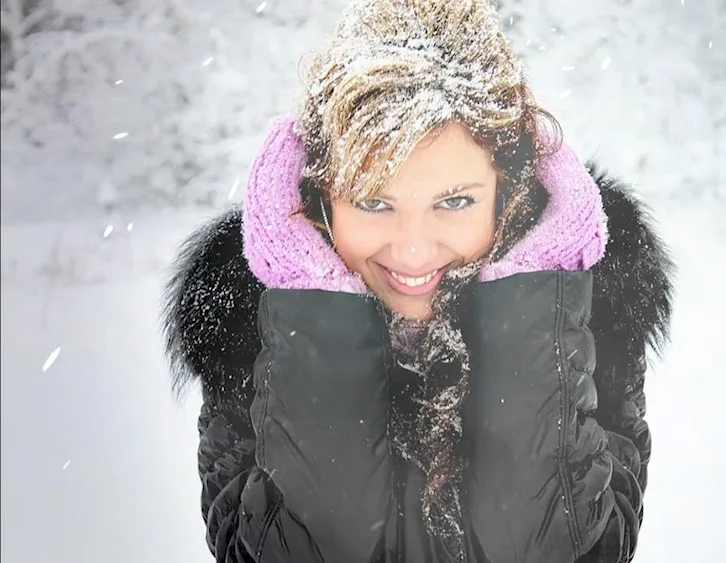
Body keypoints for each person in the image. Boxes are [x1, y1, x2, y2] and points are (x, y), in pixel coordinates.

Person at [160, 0, 674, 561]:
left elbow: (560, 549)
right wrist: (316, 310)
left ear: (509, 193)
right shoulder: (253, 331)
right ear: (320, 198)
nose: (411, 250)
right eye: (373, 202)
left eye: (454, 201)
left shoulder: (585, 320)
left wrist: (530, 310)